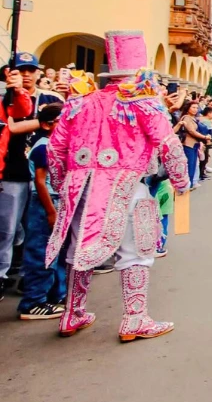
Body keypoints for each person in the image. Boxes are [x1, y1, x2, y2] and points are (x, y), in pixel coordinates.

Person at [46, 30, 191, 340]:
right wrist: (181, 182)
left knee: (77, 250)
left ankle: (72, 313)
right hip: (127, 186)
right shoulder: (144, 102)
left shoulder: (80, 102)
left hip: (81, 189)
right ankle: (135, 319)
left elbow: (55, 149)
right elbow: (168, 143)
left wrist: (63, 187)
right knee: (136, 252)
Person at [17, 104, 66, 319]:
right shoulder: (44, 146)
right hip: (45, 203)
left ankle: (55, 295)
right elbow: (40, 182)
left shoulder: (57, 145)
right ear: (47, 124)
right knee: (41, 253)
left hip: (56, 201)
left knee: (56, 253)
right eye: (61, 120)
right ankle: (33, 301)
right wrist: (51, 211)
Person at [0, 66, 33, 299]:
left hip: (10, 174)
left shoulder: (6, 100)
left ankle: (2, 276)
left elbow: (22, 109)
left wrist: (18, 90)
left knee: (7, 230)